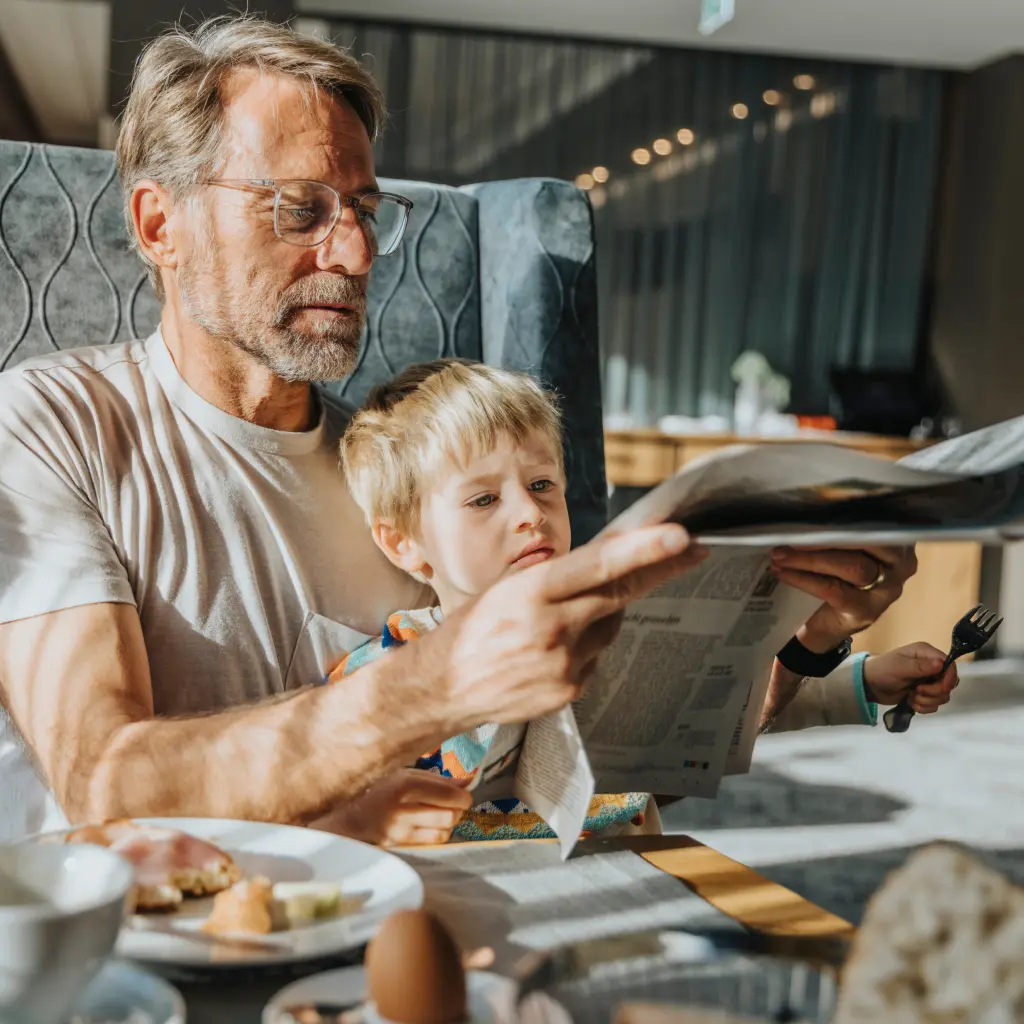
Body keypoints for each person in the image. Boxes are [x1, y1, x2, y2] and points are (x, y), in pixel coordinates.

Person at [0, 16, 927, 843]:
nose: (356, 253)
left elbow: (581, 780)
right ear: (162, 224)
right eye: (301, 208)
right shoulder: (53, 427)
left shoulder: (414, 471)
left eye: (364, 210)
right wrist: (430, 685)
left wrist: (811, 633)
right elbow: (100, 783)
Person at [325, 357, 959, 845]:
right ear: (403, 543)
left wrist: (863, 679)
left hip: (633, 875)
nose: (530, 514)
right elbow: (326, 800)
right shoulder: (378, 675)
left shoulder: (610, 623)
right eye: (484, 499)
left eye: (543, 485)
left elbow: (706, 706)